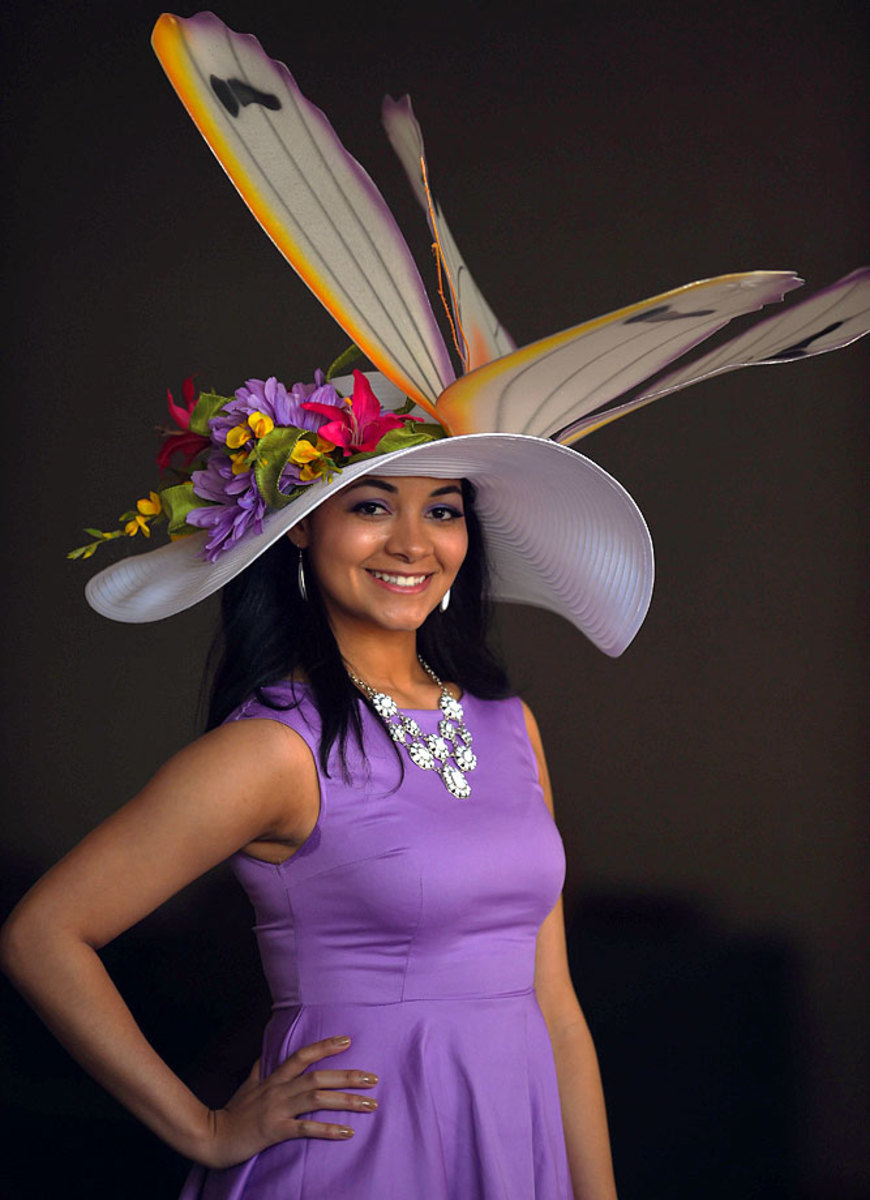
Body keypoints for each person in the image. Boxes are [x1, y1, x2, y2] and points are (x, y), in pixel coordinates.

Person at [3, 11, 867, 1200]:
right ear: (305, 529)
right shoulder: (271, 749)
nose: (415, 542)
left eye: (448, 509)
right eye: (374, 508)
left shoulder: (509, 728)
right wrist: (205, 1128)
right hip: (356, 1164)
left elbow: (555, 1008)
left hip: (510, 1151)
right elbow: (43, 933)